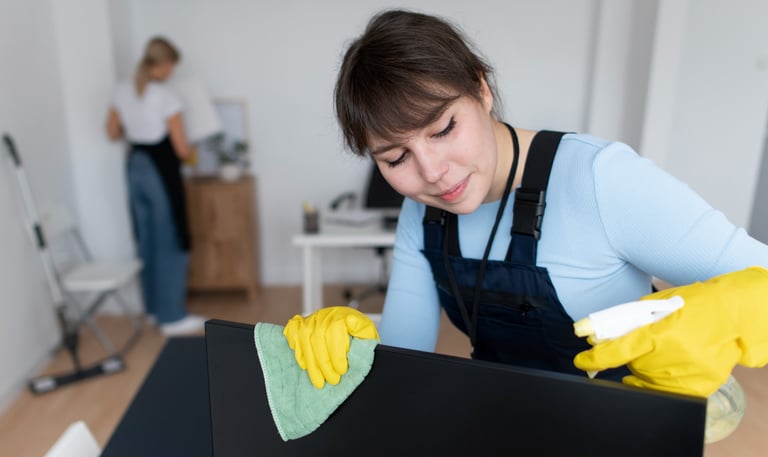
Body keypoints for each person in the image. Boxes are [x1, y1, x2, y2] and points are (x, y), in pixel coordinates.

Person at [284, 9, 768, 397]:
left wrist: (734, 310)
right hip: (506, 440)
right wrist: (359, 349)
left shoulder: (600, 179)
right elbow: (405, 361)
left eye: (444, 129)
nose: (432, 173)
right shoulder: (423, 210)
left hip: (627, 447)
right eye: (396, 157)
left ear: (481, 87)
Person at [106, 36, 205, 337]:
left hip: (135, 165)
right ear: (163, 65)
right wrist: (191, 152)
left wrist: (135, 124)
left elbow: (112, 133)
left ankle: (152, 309)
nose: (173, 72)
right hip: (161, 169)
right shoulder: (166, 96)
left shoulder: (122, 90)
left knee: (147, 238)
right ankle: (172, 316)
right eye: (172, 66)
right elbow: (180, 148)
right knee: (170, 238)